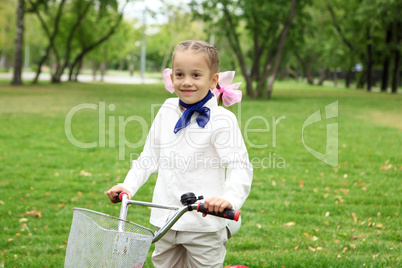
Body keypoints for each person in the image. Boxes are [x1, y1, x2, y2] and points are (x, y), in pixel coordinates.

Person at [106, 40, 253, 268]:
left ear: (212, 80)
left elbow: (239, 165)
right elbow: (149, 157)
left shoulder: (222, 120)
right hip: (165, 220)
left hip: (203, 224)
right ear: (171, 77)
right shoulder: (166, 110)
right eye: (180, 74)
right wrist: (128, 186)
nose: (186, 82)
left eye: (196, 75)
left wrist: (228, 199)